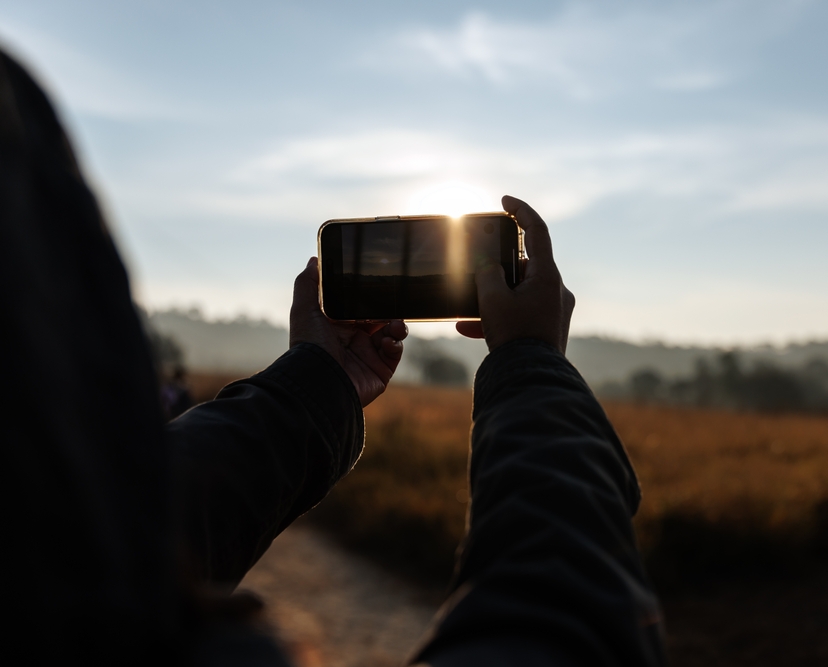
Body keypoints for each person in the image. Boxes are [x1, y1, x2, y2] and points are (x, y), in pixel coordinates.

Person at [1, 47, 666, 665]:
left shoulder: (60, 573)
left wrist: (318, 382)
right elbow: (559, 633)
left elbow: (128, 521)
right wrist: (531, 364)